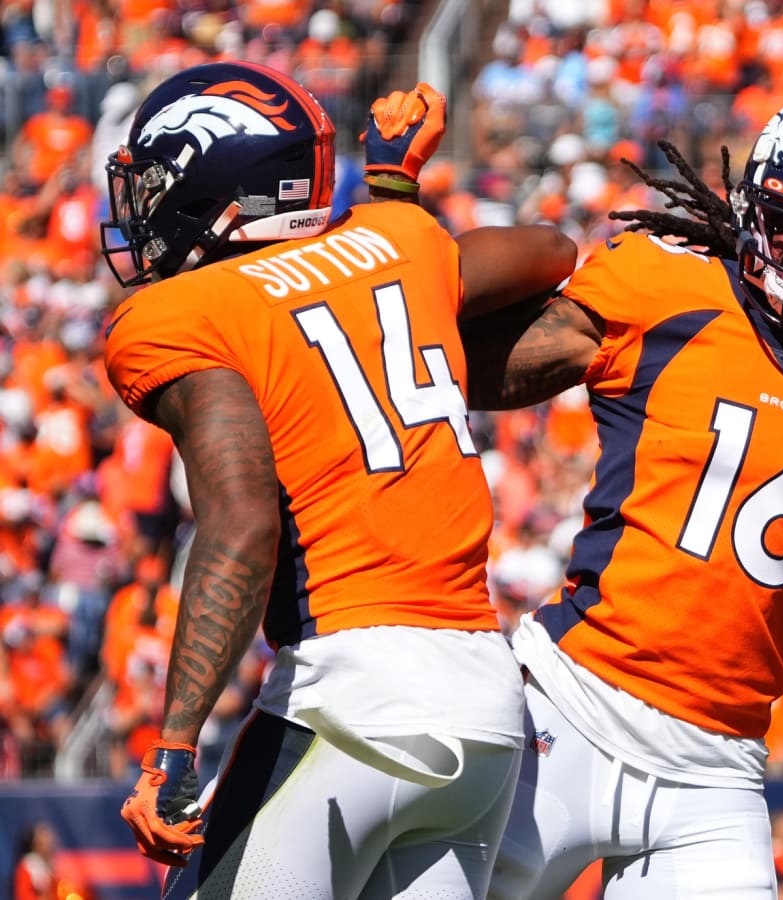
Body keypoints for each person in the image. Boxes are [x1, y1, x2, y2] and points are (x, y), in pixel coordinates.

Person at [461, 90, 783, 899]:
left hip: (717, 772)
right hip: (567, 708)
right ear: (759, 201)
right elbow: (455, 376)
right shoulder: (666, 289)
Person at [98, 62, 577, 899]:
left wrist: (175, 742)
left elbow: (244, 523)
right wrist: (394, 195)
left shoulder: (177, 315)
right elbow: (552, 250)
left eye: (158, 184)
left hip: (350, 696)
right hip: (485, 708)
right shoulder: (402, 237)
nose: (141, 210)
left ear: (218, 183)